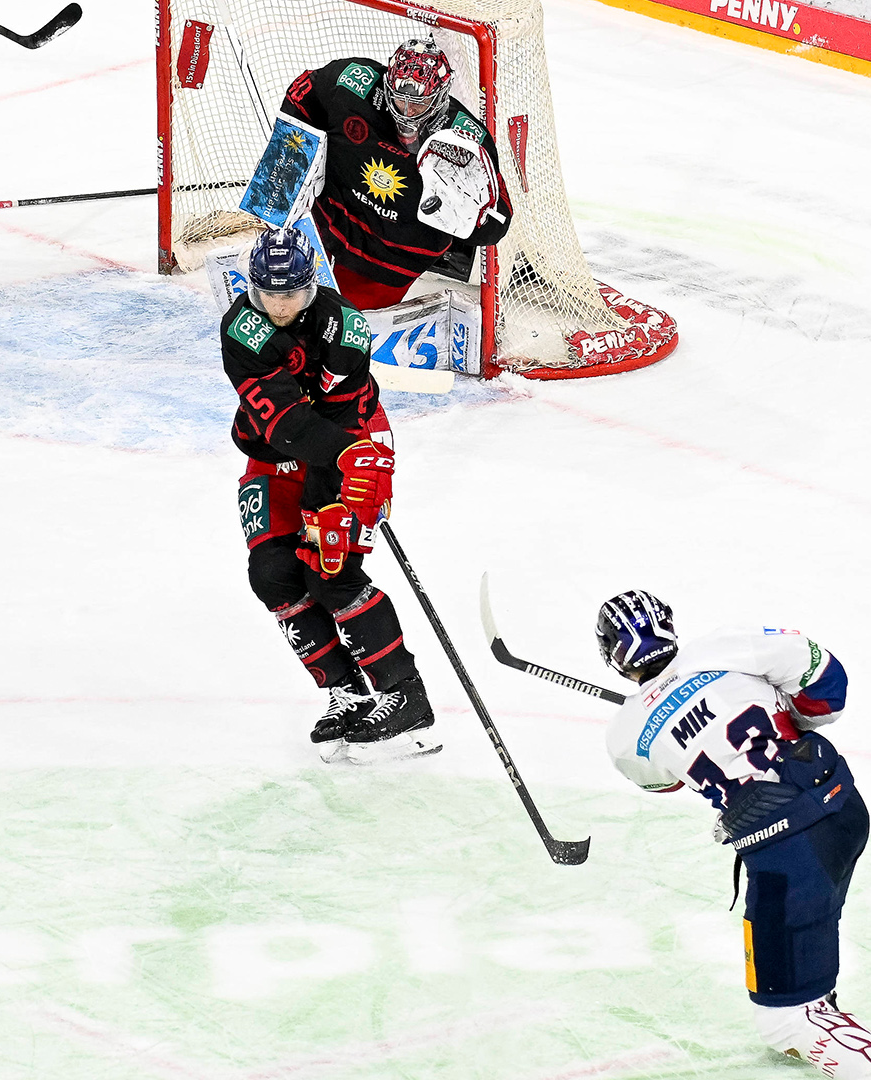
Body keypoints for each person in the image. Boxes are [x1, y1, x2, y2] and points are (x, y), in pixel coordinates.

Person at [598, 591, 871, 1080]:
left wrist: (674, 722)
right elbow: (826, 686)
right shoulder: (728, 645)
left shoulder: (624, 736)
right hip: (843, 808)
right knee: (814, 919)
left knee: (783, 1024)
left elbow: (664, 780)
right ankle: (815, 996)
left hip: (787, 857)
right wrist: (791, 721)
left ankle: (838, 1037)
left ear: (611, 656)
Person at [223, 226, 438, 765]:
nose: (278, 305)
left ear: (311, 285)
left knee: (329, 571)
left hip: (355, 445)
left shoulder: (345, 328)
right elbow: (283, 420)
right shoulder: (241, 330)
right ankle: (346, 690)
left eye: (290, 293)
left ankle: (404, 697)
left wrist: (350, 469)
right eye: (268, 293)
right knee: (271, 573)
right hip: (279, 450)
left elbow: (340, 418)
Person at [277, 38, 512, 309]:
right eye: (400, 99)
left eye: (418, 104)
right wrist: (291, 159)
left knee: (338, 324)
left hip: (390, 261)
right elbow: (304, 92)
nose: (407, 111)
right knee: (281, 303)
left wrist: (469, 214)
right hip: (327, 224)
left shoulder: (466, 139)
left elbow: (498, 220)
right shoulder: (354, 84)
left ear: (440, 97)